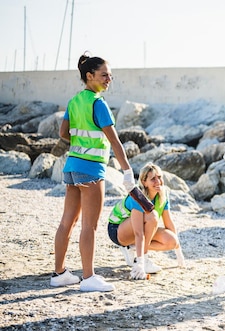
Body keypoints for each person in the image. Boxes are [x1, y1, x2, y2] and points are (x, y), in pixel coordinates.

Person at [51, 53, 135, 292]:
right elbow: (115, 142)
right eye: (104, 75)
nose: (109, 79)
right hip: (91, 169)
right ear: (90, 76)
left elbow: (63, 133)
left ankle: (59, 274)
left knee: (67, 221)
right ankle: (88, 277)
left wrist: (81, 140)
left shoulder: (75, 100)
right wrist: (127, 171)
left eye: (110, 75)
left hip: (72, 167)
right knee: (90, 225)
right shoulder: (99, 103)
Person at [107, 163, 182, 280]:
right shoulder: (137, 196)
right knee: (152, 216)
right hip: (117, 230)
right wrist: (141, 263)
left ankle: (132, 248)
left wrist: (178, 252)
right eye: (153, 179)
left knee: (172, 241)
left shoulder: (163, 195)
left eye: (159, 177)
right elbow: (139, 233)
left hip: (140, 227)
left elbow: (169, 224)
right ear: (144, 182)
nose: (158, 181)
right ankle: (143, 257)